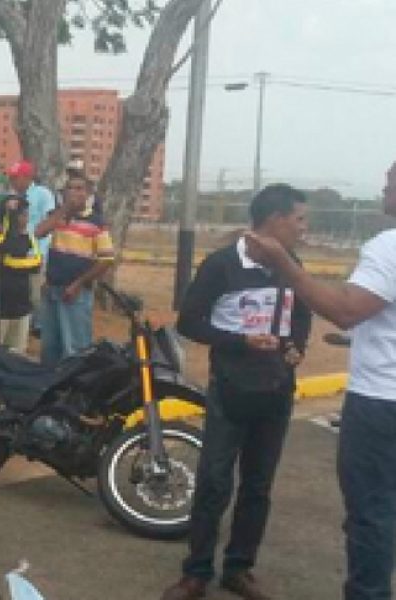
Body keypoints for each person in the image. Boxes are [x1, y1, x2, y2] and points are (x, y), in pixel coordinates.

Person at [242, 164, 396, 600]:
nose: (384, 187)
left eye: (391, 181)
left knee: (371, 513)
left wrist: (284, 264)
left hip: (381, 402)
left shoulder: (389, 246)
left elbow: (345, 309)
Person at [161, 184, 313, 600]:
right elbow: (189, 322)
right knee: (213, 481)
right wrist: (240, 341)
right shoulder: (221, 266)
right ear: (274, 220)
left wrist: (297, 347)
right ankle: (196, 573)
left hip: (277, 391)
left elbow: (301, 313)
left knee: (258, 486)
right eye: (298, 219)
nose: (304, 227)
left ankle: (239, 568)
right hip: (230, 391)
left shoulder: (290, 266)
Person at [33, 173, 114, 366]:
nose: (74, 193)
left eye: (79, 189)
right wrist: (64, 210)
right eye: (70, 188)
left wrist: (79, 284)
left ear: (88, 193)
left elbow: (106, 259)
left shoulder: (96, 223)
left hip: (76, 294)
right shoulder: (58, 217)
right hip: (52, 289)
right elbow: (39, 232)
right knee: (50, 347)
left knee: (74, 349)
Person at [0, 196, 41, 354]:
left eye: (26, 214)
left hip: (21, 307)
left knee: (16, 355)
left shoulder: (28, 238)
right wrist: (9, 224)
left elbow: (35, 264)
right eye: (20, 214)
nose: (25, 219)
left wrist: (5, 259)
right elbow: (8, 247)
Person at [7, 160, 56, 325]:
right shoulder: (11, 197)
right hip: (15, 253)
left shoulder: (43, 194)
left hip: (36, 252)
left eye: (16, 178)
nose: (12, 182)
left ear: (28, 177)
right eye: (11, 178)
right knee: (19, 293)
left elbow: (51, 220)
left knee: (35, 294)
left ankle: (39, 326)